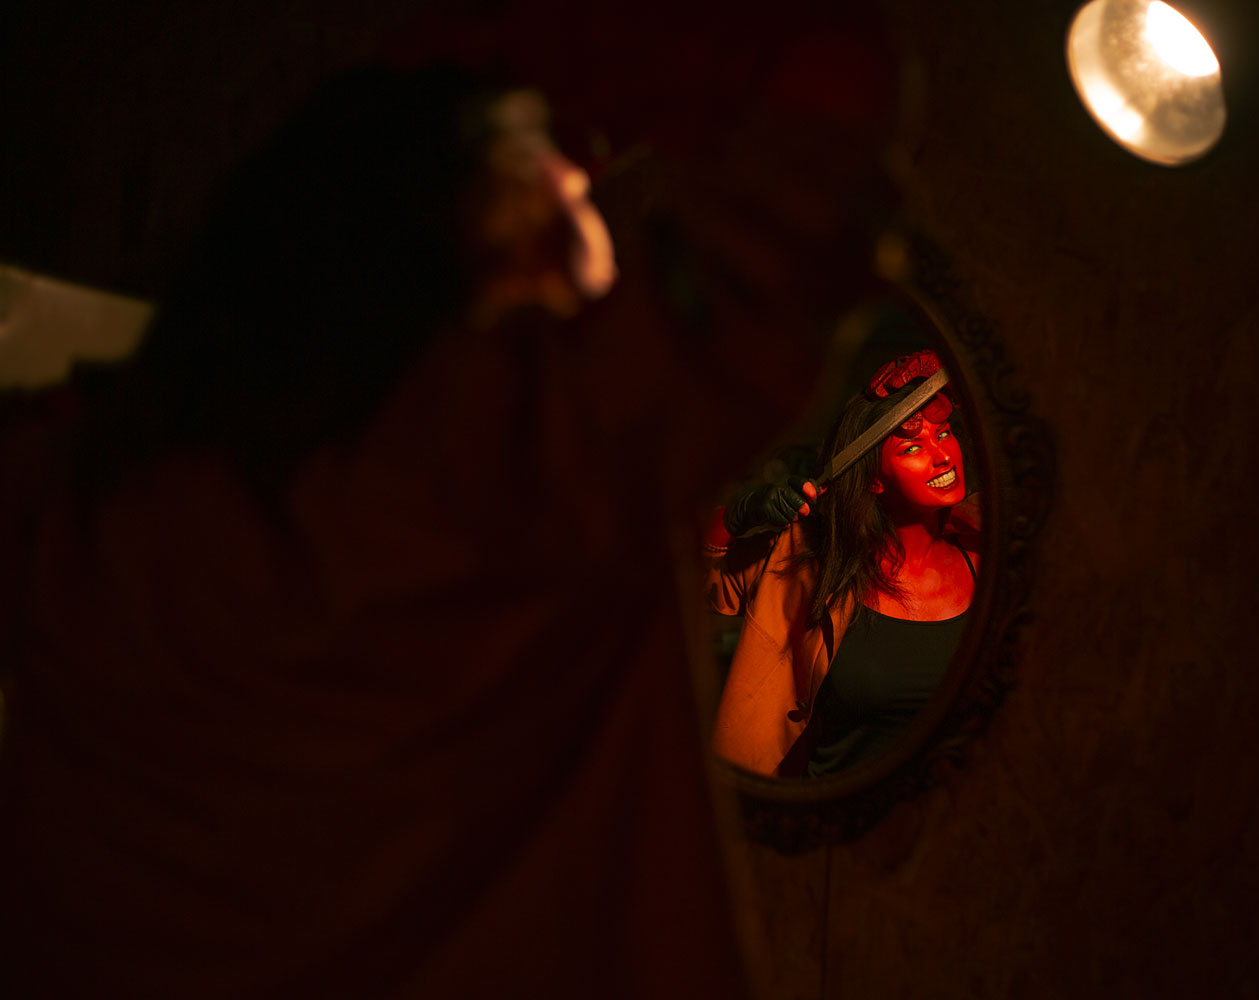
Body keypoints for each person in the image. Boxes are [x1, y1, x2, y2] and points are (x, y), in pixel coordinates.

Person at [0, 7, 900, 993]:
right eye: (572, 195)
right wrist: (637, 49)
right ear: (502, 244)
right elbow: (796, 200)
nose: (598, 221)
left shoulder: (79, 507)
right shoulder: (515, 467)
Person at [706, 350, 981, 777]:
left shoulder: (986, 549)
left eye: (944, 434)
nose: (942, 455)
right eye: (912, 447)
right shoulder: (808, 565)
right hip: (838, 811)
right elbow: (684, 567)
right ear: (872, 479)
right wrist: (744, 510)